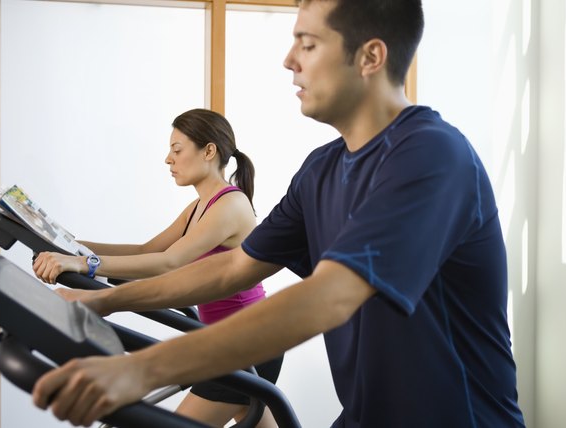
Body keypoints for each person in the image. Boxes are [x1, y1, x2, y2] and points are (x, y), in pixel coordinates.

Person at [32, 1, 526, 427]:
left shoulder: (431, 156)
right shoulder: (321, 169)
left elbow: (330, 296)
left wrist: (140, 370)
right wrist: (102, 303)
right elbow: (231, 268)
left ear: (371, 56)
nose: (289, 60)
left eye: (308, 44)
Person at [31, 108, 282, 428]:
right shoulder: (198, 207)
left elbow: (169, 262)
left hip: (245, 345)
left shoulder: (230, 205)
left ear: (209, 151)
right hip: (228, 341)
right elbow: (147, 250)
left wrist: (84, 265)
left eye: (177, 150)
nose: (168, 159)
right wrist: (67, 245)